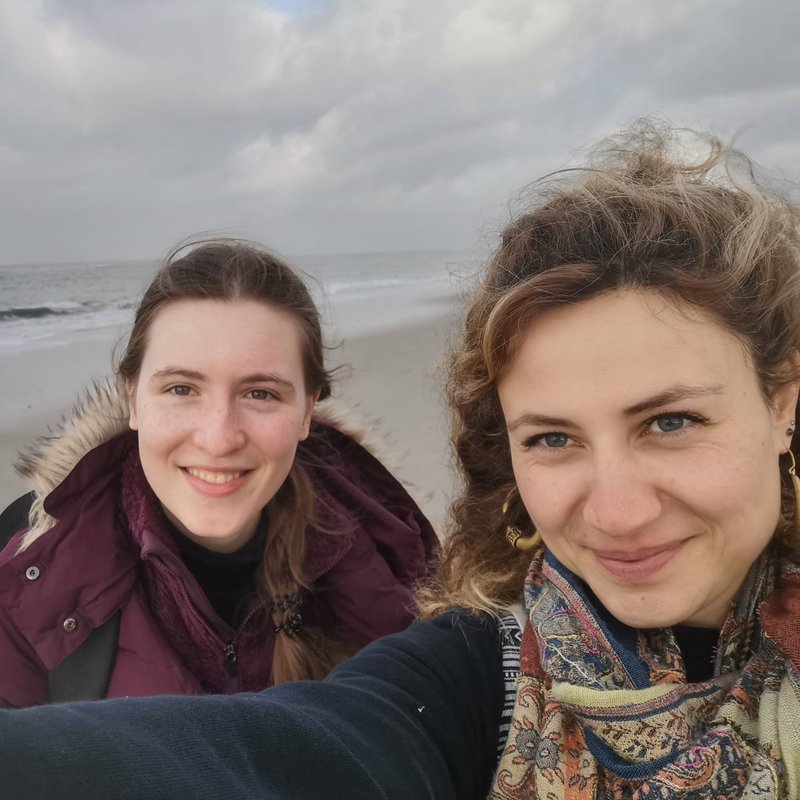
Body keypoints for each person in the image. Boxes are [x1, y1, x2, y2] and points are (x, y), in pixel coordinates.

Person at [1, 124, 800, 800]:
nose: (617, 511)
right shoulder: (483, 669)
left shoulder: (392, 557)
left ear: (782, 400)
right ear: (130, 396)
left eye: (670, 421)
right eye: (553, 438)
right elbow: (317, 745)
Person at [0, 239, 437, 706]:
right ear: (133, 399)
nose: (219, 438)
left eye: (260, 394)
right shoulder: (27, 585)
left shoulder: (397, 567)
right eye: (182, 388)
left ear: (308, 411)